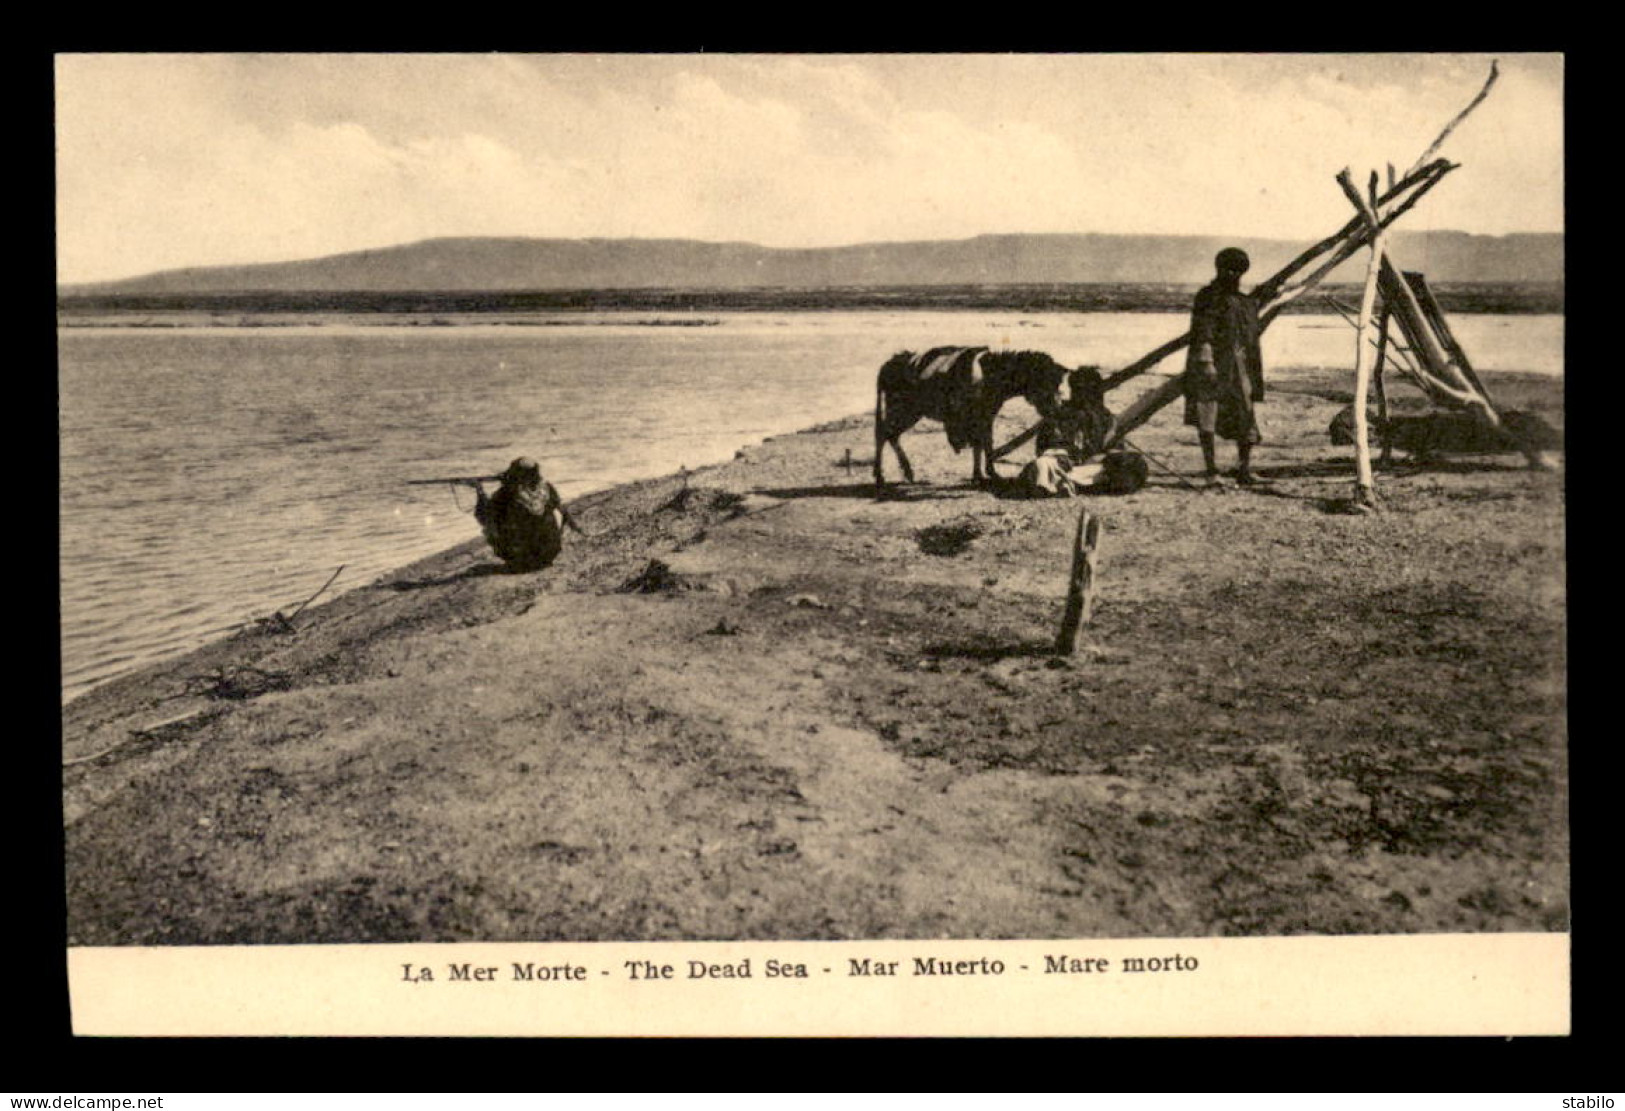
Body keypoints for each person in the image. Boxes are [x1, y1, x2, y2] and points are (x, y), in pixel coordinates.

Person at [1185, 246, 1266, 487]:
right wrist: (1206, 362)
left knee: (1245, 415)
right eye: (1228, 270)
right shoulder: (1208, 297)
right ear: (1219, 269)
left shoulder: (1244, 301)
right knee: (1207, 415)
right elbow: (1203, 331)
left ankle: (1244, 468)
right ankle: (1211, 471)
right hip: (1212, 365)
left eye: (1237, 271)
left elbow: (1248, 335)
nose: (1232, 275)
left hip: (1239, 366)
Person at [470, 457, 570, 571]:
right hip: (549, 553)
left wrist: (480, 491)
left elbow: (484, 515)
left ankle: (515, 559)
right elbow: (560, 507)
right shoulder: (546, 487)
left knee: (494, 523)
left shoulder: (507, 493)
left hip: (523, 559)